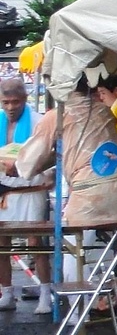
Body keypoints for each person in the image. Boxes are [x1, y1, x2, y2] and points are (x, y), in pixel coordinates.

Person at [16, 78, 117, 322]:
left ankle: (76, 312)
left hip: (88, 196)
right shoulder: (105, 111)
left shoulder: (56, 115)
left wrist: (16, 164)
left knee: (74, 249)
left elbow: (28, 164)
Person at [0, 76, 50, 312]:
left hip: (32, 189)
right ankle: (7, 293)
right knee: (1, 243)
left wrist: (23, 165)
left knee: (35, 242)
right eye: (6, 102)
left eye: (16, 102)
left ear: (25, 99)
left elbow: (49, 158)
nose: (11, 107)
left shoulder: (39, 122)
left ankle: (45, 293)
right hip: (5, 191)